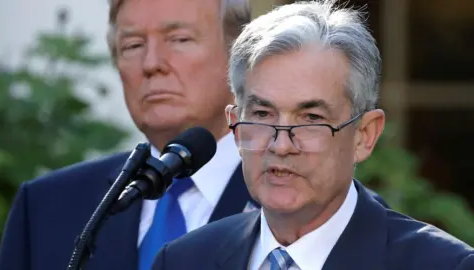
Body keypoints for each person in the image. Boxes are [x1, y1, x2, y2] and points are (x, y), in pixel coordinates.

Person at [0, 0, 387, 269]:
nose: (151, 64)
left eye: (178, 39)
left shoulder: (320, 207)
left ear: (240, 54)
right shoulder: (47, 207)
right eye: (132, 44)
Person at [149, 1, 474, 269]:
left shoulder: (443, 264)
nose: (281, 144)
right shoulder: (182, 260)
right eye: (262, 115)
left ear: (364, 135)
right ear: (235, 127)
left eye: (311, 119)